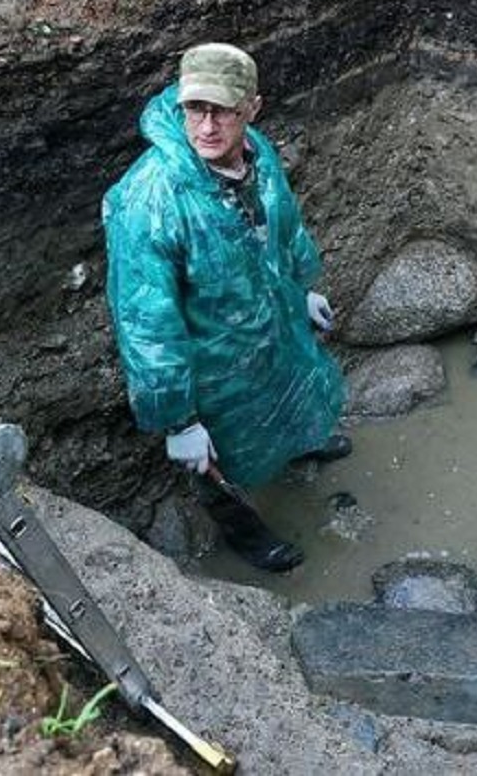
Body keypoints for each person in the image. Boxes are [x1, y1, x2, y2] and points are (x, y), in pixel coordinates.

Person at [103, 42, 349, 572]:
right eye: (196, 110)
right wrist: (178, 422)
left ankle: (297, 443)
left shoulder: (256, 152)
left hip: (265, 323)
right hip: (207, 359)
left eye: (224, 112)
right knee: (210, 455)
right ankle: (242, 529)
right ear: (181, 106)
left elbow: (284, 228)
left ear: (252, 109)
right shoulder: (152, 199)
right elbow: (147, 323)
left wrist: (300, 290)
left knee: (285, 385)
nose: (208, 127)